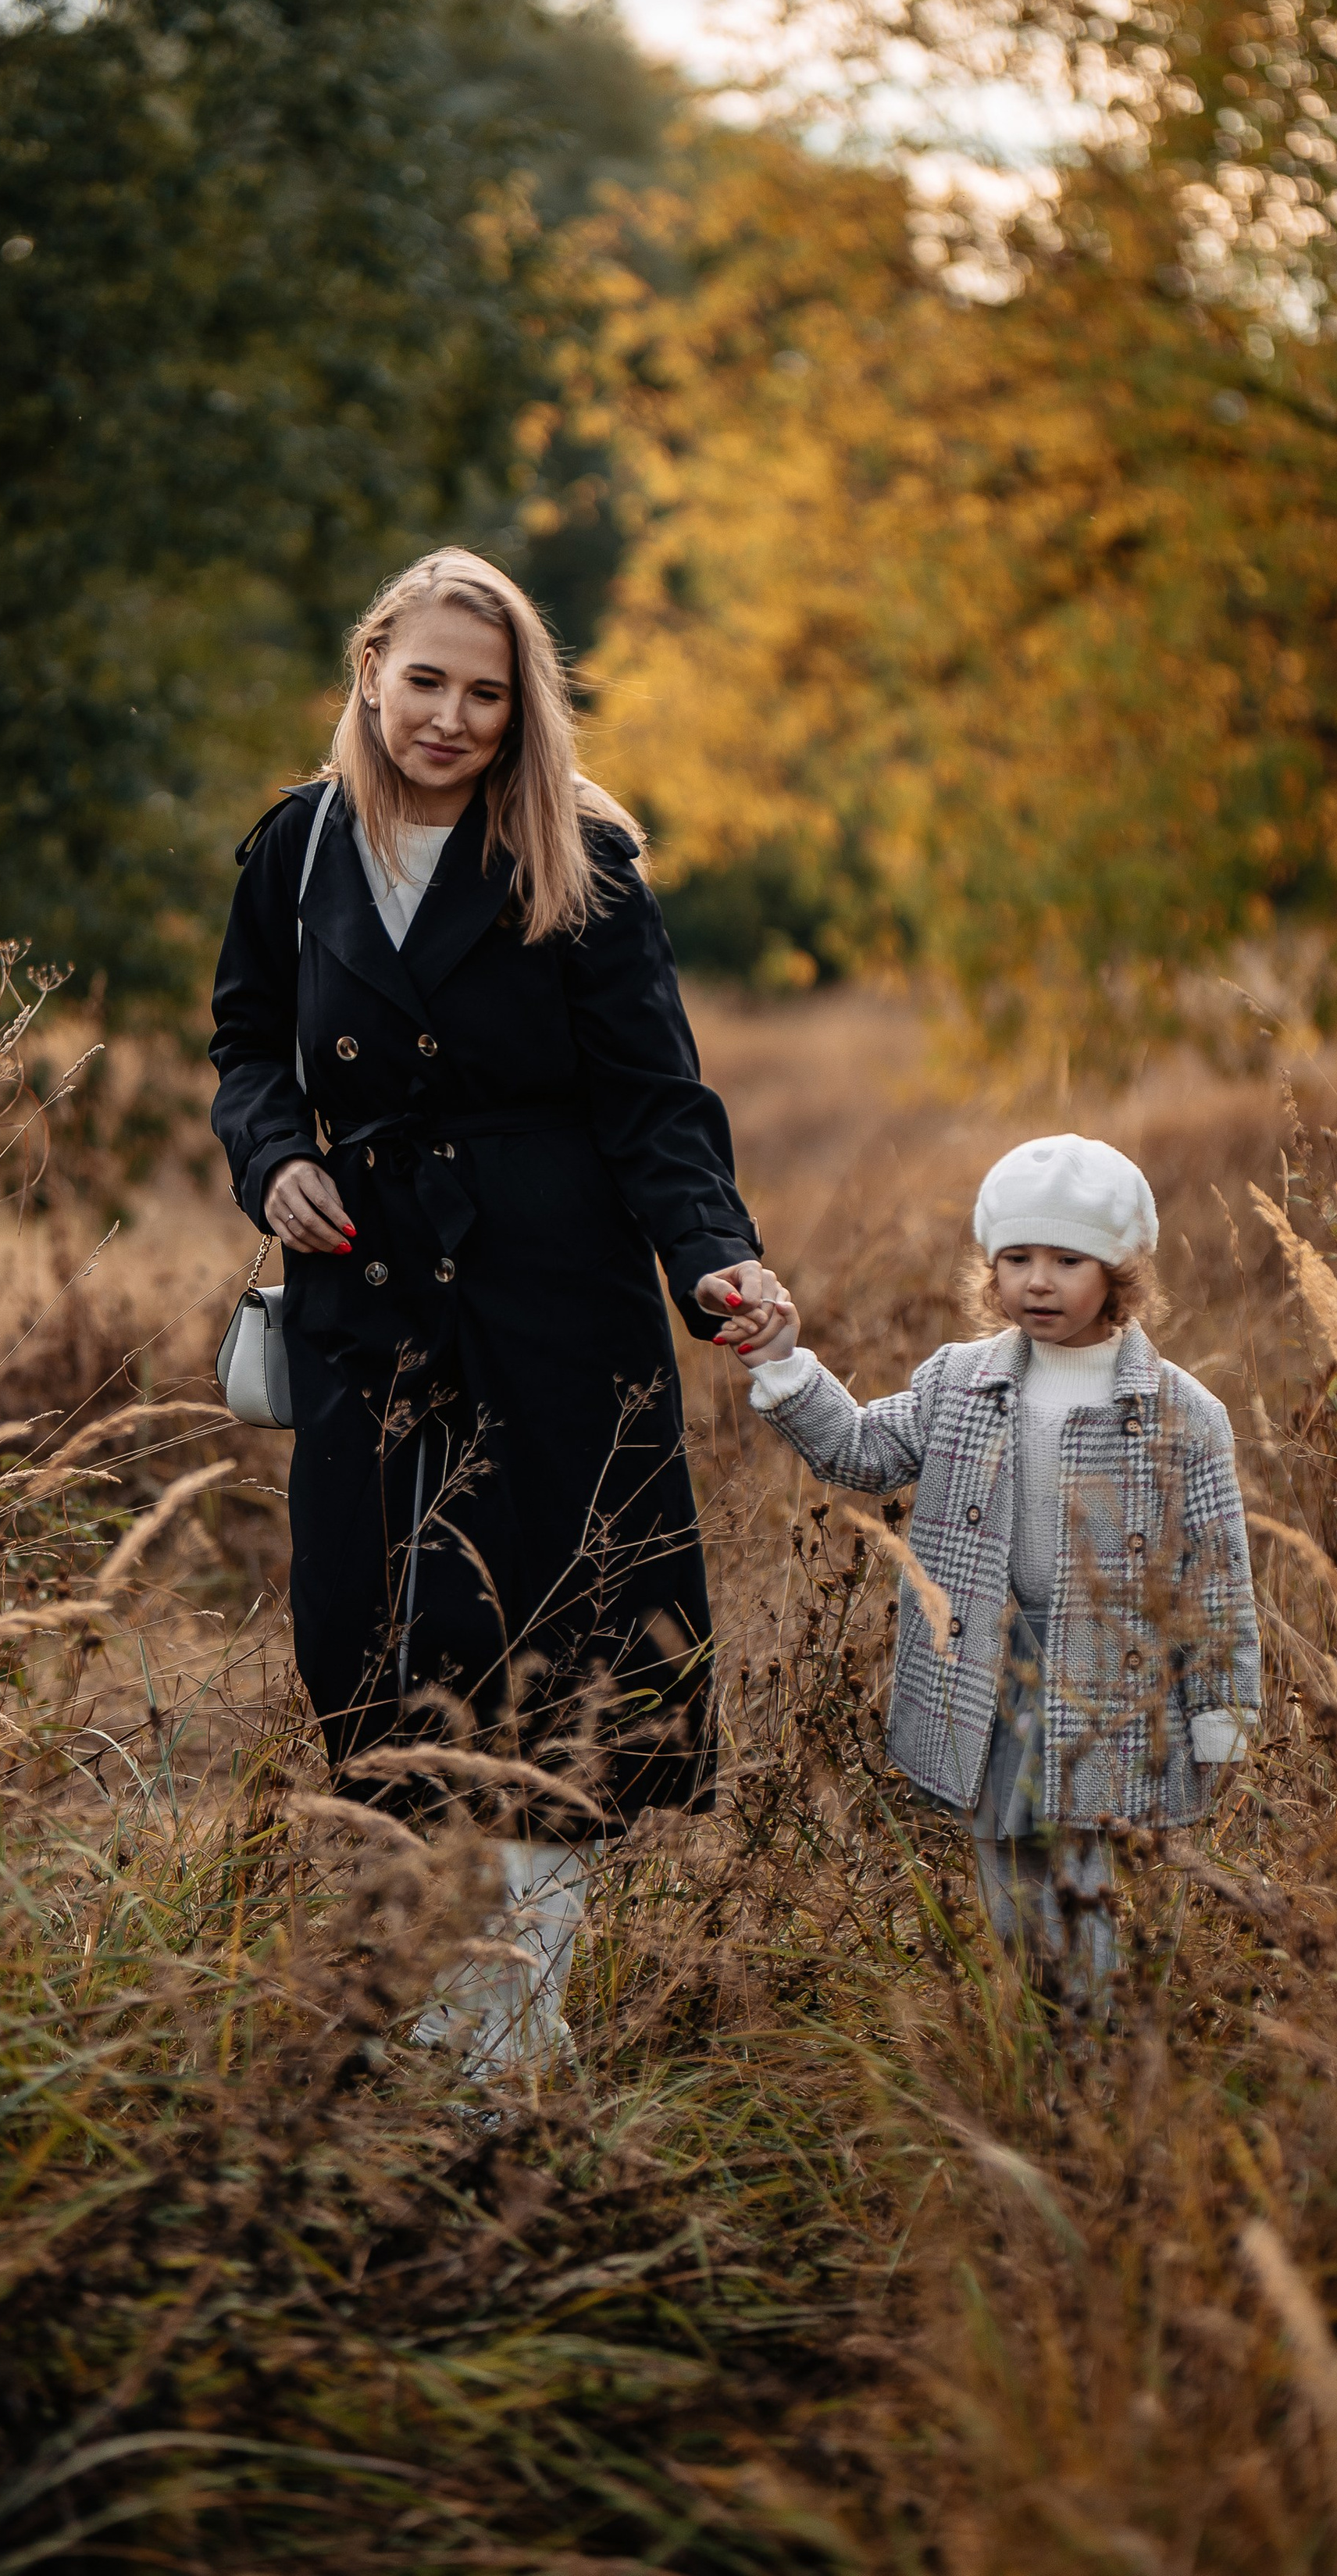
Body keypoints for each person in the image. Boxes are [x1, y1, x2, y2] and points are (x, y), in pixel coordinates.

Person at [209, 548, 778, 2075]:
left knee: (565, 1647)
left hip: (554, 1305)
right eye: (425, 683)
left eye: (484, 692)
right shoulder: (295, 848)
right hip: (366, 1309)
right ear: (370, 667)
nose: (449, 718)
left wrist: (713, 1256)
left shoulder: (574, 857)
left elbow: (658, 1104)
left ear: (520, 707)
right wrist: (271, 1160)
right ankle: (411, 2009)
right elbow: (249, 1046)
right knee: (374, 1648)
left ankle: (509, 2044)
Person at [734, 1133, 1260, 2021]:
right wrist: (783, 1363)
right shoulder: (958, 1383)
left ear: (1119, 1272)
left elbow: (1215, 1571)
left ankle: (1088, 2050)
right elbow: (859, 1452)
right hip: (991, 1665)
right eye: (1016, 1258)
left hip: (1107, 1678)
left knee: (1082, 1872)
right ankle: (1034, 2021)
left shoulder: (1178, 1411)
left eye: (1066, 1259)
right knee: (1005, 1868)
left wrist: (1223, 1705)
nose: (1038, 1282)